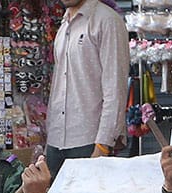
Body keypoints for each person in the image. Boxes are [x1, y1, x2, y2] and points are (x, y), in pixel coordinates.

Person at [45, 0, 129, 177]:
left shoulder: (107, 21)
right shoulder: (64, 24)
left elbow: (115, 89)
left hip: (89, 141)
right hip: (56, 141)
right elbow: (59, 86)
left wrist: (103, 145)